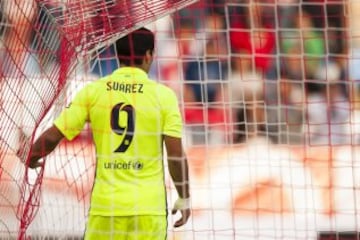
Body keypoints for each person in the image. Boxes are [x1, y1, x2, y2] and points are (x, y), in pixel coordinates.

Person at [26, 27, 191, 239]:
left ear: (116, 54)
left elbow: (51, 136)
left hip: (106, 209)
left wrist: (32, 155)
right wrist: (184, 196)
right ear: (149, 55)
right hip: (148, 209)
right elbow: (176, 155)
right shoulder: (164, 97)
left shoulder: (94, 92)